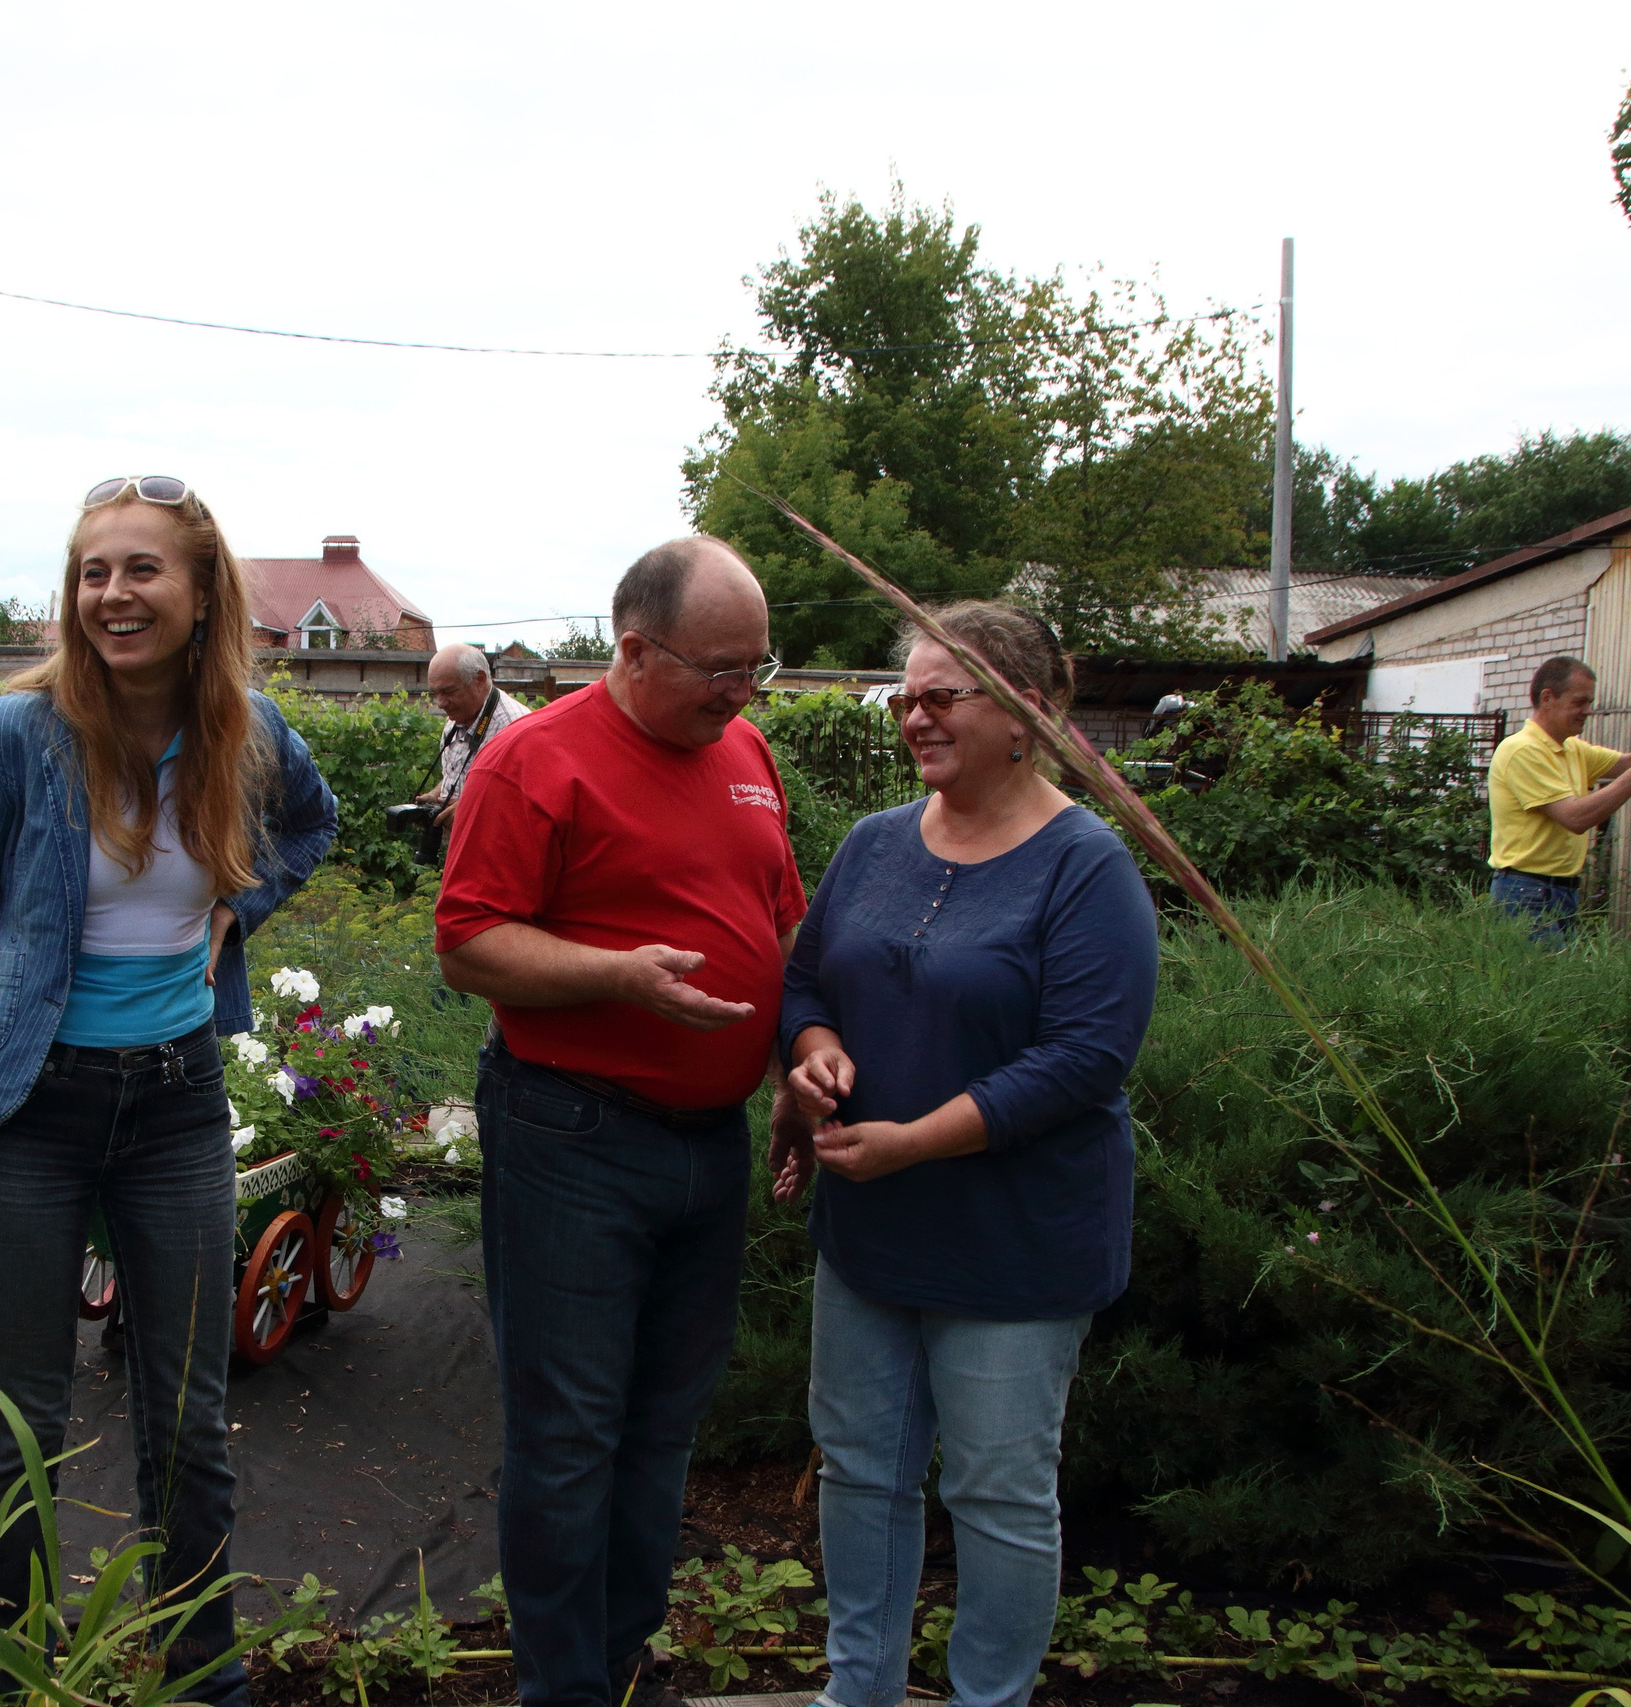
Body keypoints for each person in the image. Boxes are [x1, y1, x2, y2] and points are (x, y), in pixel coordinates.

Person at [0, 475, 337, 1704]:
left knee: (187, 1419)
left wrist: (237, 909)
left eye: (142, 569)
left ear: (202, 592)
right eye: (93, 572)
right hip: (28, 1108)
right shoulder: (14, 735)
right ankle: (12, 1680)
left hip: (175, 1103)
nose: (113, 594)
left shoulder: (247, 730)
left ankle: (203, 1678)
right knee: (18, 1426)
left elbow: (311, 826)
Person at [435, 537, 803, 1707]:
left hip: (710, 1143)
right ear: (636, 651)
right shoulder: (532, 761)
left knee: (662, 1426)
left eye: (755, 667)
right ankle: (561, 1688)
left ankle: (620, 1661)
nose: (741, 692)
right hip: (572, 1136)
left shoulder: (745, 752)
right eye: (720, 669)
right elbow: (467, 944)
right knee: (569, 1435)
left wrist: (794, 1057)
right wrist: (618, 976)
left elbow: (779, 922)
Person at [772, 602, 1157, 1707]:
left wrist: (914, 1142)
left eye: (942, 696)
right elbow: (806, 979)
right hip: (871, 1232)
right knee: (861, 1471)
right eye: (906, 698)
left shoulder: (1085, 868)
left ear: (1024, 713)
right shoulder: (874, 842)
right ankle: (860, 1691)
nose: (915, 717)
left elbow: (1083, 1057)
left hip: (1014, 1243)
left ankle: (990, 1699)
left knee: (996, 1495)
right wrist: (814, 1048)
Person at [1487, 655, 1631, 939]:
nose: (1588, 711)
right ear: (1547, 698)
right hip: (1527, 891)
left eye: (1590, 702)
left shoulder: (1571, 748)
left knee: (1557, 969)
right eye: (1580, 702)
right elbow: (1575, 817)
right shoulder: (1523, 750)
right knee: (1544, 969)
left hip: (1557, 890)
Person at [413, 642, 528, 857]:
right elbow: (460, 773)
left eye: (448, 691)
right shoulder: (457, 717)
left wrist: (471, 811)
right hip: (463, 853)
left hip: (499, 858)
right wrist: (435, 797)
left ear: (479, 680)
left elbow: (528, 804)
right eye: (436, 693)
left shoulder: (515, 728)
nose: (440, 703)